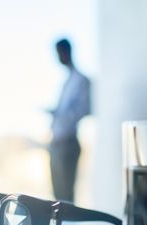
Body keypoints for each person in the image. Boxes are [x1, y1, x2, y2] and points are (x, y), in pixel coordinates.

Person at [47, 38, 91, 202]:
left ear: (66, 52)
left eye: (58, 53)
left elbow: (85, 110)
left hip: (68, 143)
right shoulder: (66, 81)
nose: (57, 58)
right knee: (56, 196)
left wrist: (62, 114)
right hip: (56, 142)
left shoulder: (81, 80)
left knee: (65, 198)